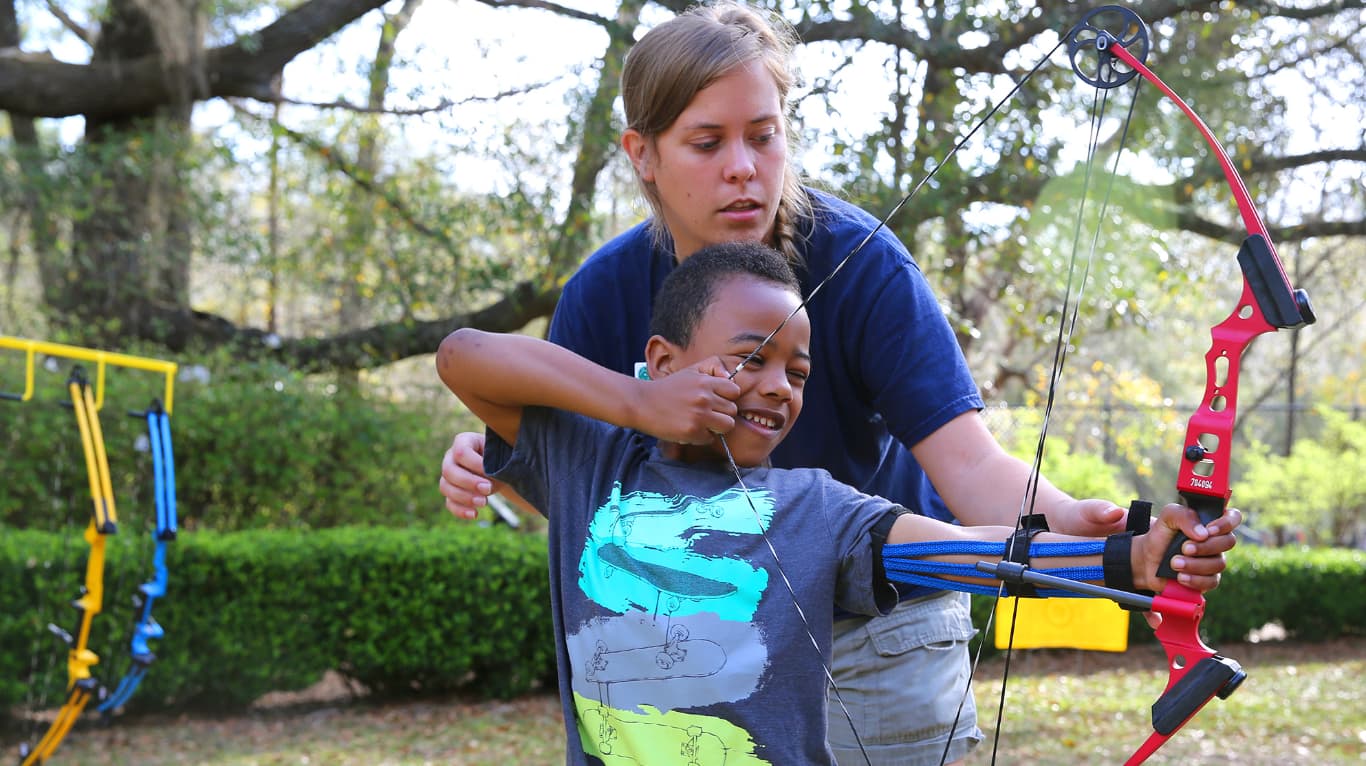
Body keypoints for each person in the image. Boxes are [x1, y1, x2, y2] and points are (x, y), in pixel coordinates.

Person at [440, 3, 1163, 763]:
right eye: (706, 142)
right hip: (697, 647)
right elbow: (583, 487)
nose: (744, 166)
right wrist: (521, 447)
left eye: (763, 134)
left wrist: (1091, 539)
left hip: (875, 638)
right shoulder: (605, 291)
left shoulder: (866, 265)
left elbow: (972, 470)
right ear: (642, 154)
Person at [435, 241, 1241, 766]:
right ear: (664, 359)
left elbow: (970, 550)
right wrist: (640, 405)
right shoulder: (593, 459)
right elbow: (463, 355)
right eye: (751, 358)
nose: (776, 386)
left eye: (797, 371)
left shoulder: (814, 508)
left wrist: (1131, 560)